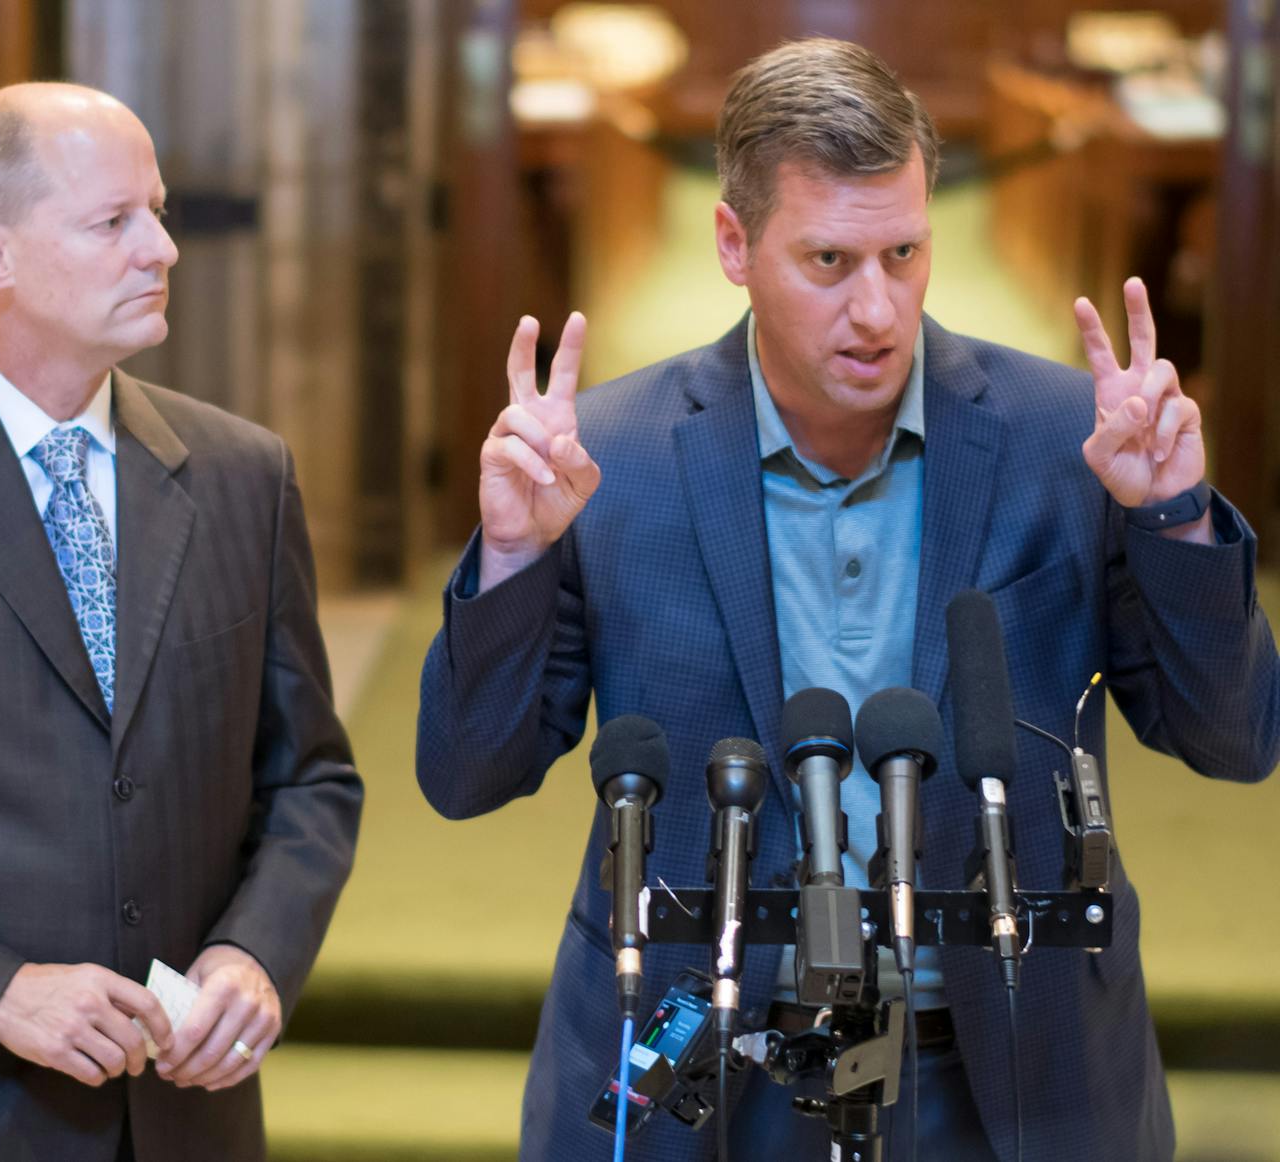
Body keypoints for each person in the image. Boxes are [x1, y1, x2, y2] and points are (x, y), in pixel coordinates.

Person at [417, 37, 1280, 1161]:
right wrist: (513, 557)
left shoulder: (1066, 442)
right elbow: (467, 771)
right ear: (733, 244)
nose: (875, 310)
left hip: (1013, 1071)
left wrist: (1171, 515)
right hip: (694, 1052)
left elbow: (1231, 735)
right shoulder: (608, 464)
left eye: (903, 253)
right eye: (827, 260)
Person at [0, 83, 363, 1161]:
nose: (163, 248)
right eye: (113, 221)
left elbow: (309, 778)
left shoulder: (242, 474)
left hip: (190, 1116)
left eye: (160, 209)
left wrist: (255, 954)